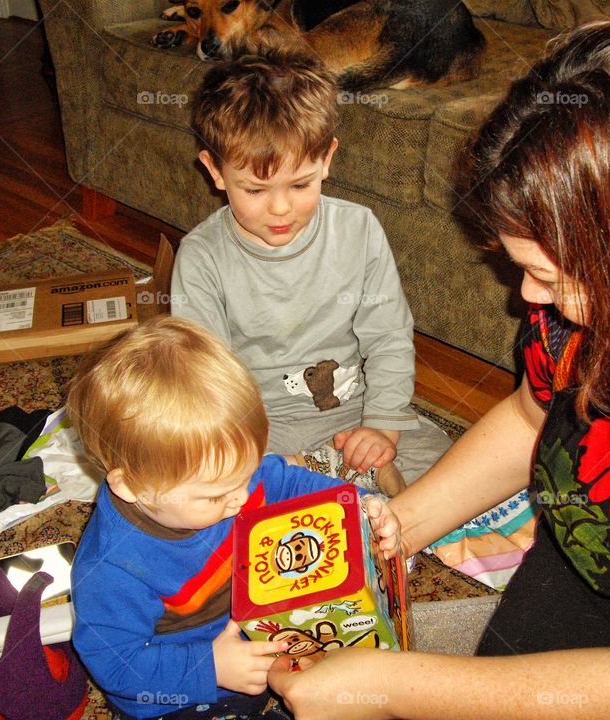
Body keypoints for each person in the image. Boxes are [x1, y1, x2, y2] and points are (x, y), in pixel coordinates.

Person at [267, 16, 610, 719]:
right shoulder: (599, 303)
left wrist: (388, 688)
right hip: (590, 572)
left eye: (549, 274)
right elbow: (533, 417)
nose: (530, 297)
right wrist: (396, 529)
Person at [65, 316, 400, 720]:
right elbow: (119, 665)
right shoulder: (113, 568)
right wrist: (209, 666)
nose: (242, 498)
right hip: (176, 693)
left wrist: (361, 505)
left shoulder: (225, 478)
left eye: (246, 472)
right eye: (215, 495)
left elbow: (288, 482)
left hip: (257, 637)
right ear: (134, 487)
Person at [169, 50, 454, 490]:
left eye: (300, 184)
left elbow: (388, 337)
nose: (280, 208)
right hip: (257, 425)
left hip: (352, 409)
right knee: (193, 486)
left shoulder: (359, 229)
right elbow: (206, 379)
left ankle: (338, 479)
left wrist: (381, 428)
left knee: (459, 480)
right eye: (255, 189)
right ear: (215, 170)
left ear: (327, 159)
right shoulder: (201, 256)